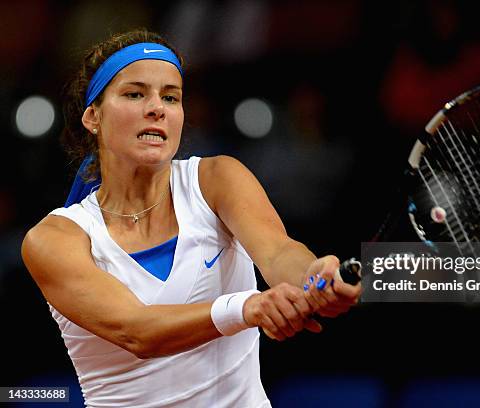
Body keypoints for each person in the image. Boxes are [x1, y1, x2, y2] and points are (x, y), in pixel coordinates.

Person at [21, 29, 361, 407]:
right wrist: (247, 307)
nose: (157, 108)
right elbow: (138, 331)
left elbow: (279, 254)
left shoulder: (217, 180)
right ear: (93, 116)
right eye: (135, 94)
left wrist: (315, 277)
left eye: (171, 97)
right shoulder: (54, 239)